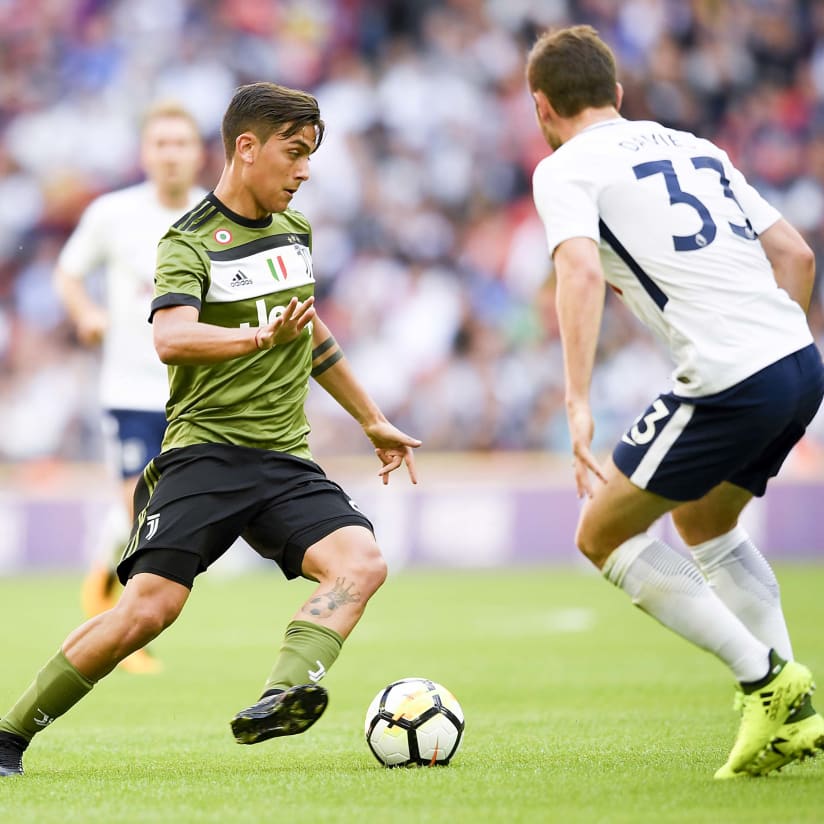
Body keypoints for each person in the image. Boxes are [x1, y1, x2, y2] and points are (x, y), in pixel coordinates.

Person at [0, 81, 421, 777]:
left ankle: (285, 690)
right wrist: (256, 337)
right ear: (246, 148)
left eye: (311, 155)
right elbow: (172, 336)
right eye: (293, 153)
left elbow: (308, 331)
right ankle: (9, 733)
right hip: (205, 456)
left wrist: (372, 418)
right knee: (145, 614)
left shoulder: (297, 231)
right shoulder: (188, 241)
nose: (305, 170)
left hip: (284, 460)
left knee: (362, 562)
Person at [526, 25, 824, 779]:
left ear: (541, 107)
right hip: (800, 359)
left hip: (732, 376)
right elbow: (797, 255)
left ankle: (765, 679)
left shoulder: (564, 168)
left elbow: (582, 276)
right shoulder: (695, 146)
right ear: (619, 95)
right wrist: (773, 345)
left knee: (600, 534)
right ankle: (794, 716)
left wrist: (577, 399)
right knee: (704, 519)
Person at [54, 101, 207, 674]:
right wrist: (86, 312)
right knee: (141, 507)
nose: (170, 154)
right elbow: (68, 271)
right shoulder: (112, 214)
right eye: (161, 143)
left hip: (197, 393)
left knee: (153, 513)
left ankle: (102, 591)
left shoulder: (215, 217)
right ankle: (126, 625)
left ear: (198, 154)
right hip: (131, 391)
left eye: (181, 144)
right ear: (145, 153)